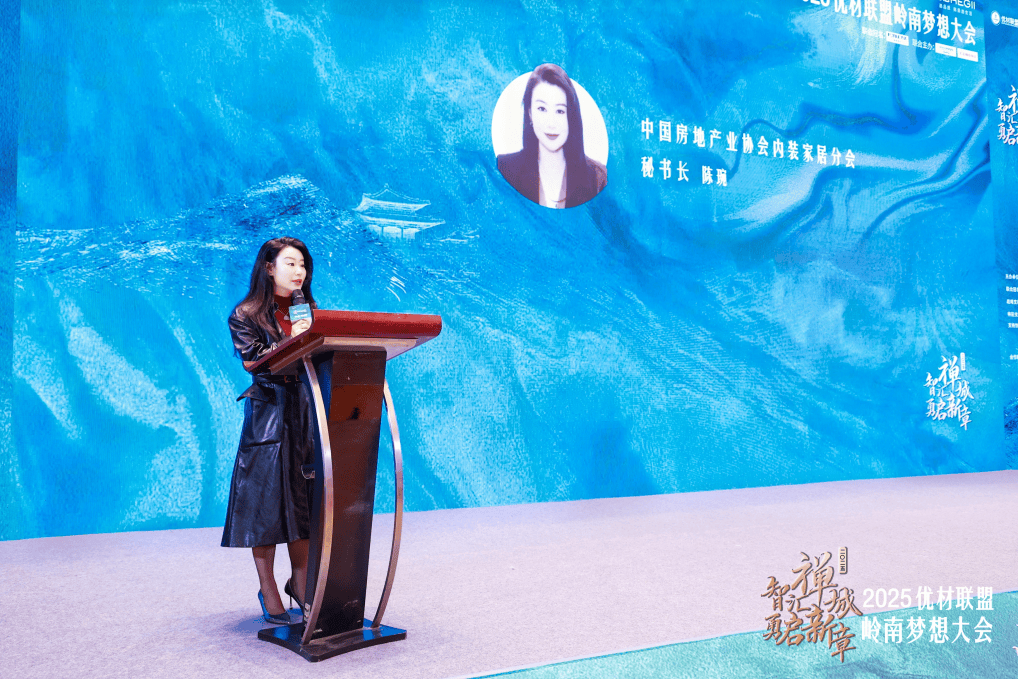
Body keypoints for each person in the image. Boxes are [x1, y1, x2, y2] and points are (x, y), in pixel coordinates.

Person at [221, 236, 317, 624]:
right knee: (265, 505)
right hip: (270, 415)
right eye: (291, 263)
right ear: (269, 268)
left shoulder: (307, 310)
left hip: (305, 412)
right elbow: (254, 362)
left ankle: (301, 581)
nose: (299, 271)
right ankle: (269, 587)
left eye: (303, 265)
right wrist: (295, 339)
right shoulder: (245, 314)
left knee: (304, 501)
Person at [497, 63, 607, 209]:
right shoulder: (504, 168)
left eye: (560, 111)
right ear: (530, 113)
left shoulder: (597, 179)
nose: (551, 123)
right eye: (542, 109)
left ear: (571, 116)